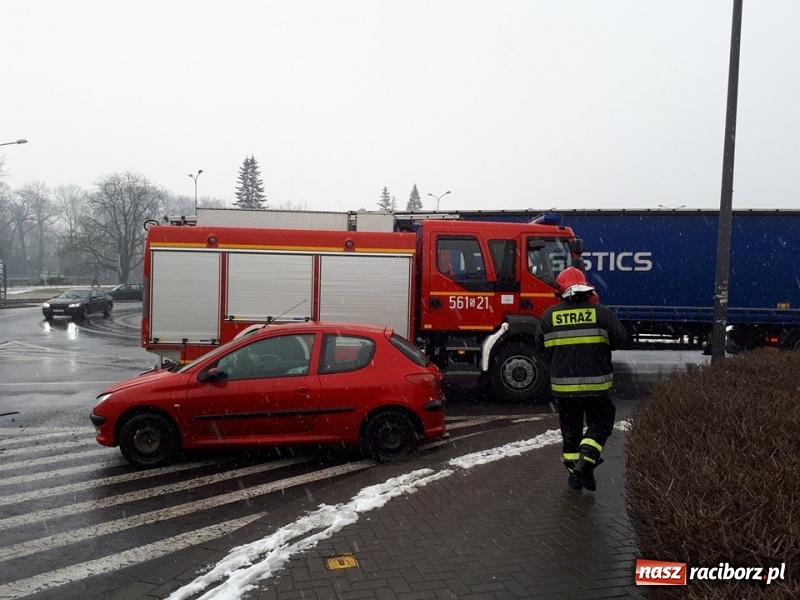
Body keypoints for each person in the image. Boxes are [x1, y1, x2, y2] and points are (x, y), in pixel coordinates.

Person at [535, 266, 627, 492]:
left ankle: (575, 471)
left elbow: (541, 349)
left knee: (570, 431)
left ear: (560, 290)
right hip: (597, 387)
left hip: (564, 390)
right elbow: (620, 340)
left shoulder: (548, 317)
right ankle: (585, 463)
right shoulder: (601, 313)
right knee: (601, 423)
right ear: (586, 289)